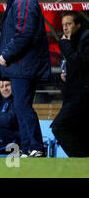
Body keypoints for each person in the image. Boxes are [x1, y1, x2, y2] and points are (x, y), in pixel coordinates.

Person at [0, 0, 51, 158]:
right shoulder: (18, 0)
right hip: (20, 66)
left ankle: (36, 146)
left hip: (23, 66)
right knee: (21, 106)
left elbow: (24, 33)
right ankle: (29, 147)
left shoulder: (24, 0)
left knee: (22, 106)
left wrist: (6, 55)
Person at [51, 11, 89, 157]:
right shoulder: (71, 41)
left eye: (69, 24)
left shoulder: (84, 39)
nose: (65, 28)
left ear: (78, 25)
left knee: (59, 127)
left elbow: (79, 62)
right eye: (63, 25)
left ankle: (79, 158)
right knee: (79, 131)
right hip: (74, 94)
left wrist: (65, 45)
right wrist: (63, 77)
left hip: (82, 96)